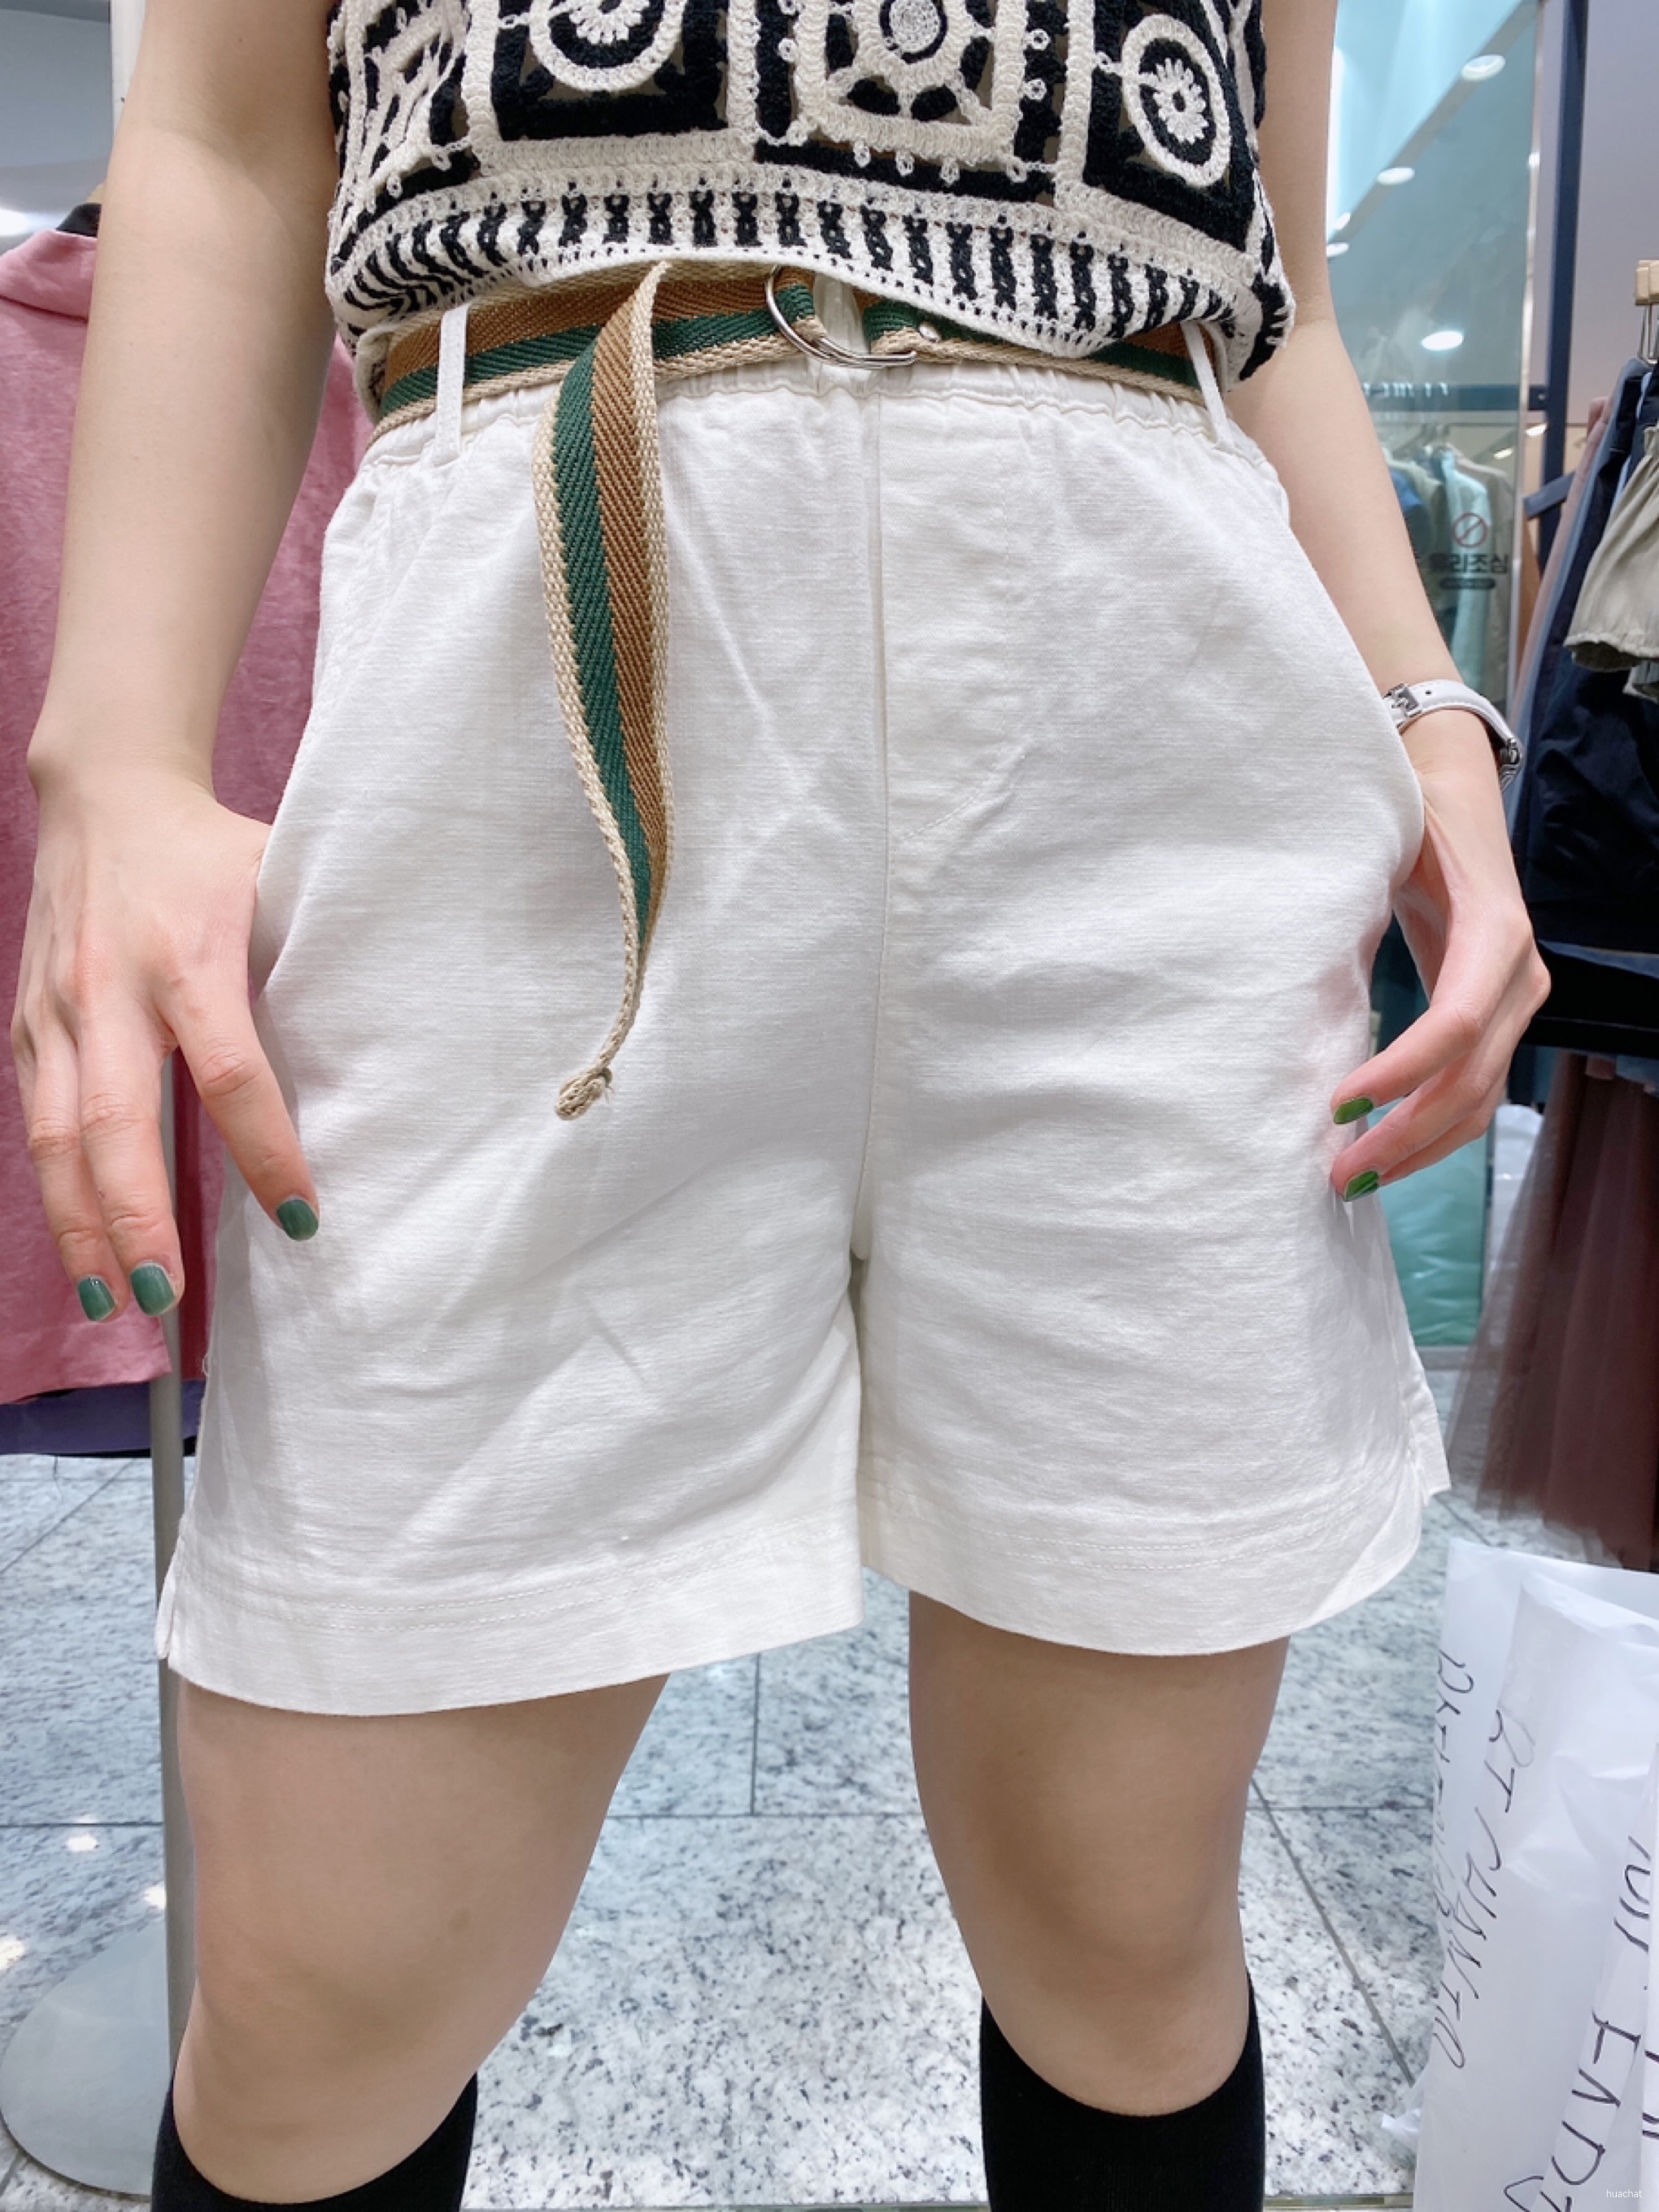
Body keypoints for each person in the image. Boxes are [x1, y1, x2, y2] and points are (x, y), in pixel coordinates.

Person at [11, 0, 1547, 2203]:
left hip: (1147, 677)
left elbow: (1272, 272)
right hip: (536, 650)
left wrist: (1426, 712)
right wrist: (120, 753)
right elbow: (232, 136)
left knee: (1119, 1929)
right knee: (319, 1995)